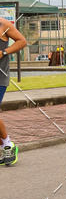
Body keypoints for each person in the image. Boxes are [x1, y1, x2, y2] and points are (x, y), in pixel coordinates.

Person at [0, 17, 27, 166]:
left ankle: (8, 145)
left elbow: (22, 41)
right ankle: (5, 146)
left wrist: (3, 52)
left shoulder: (3, 24)